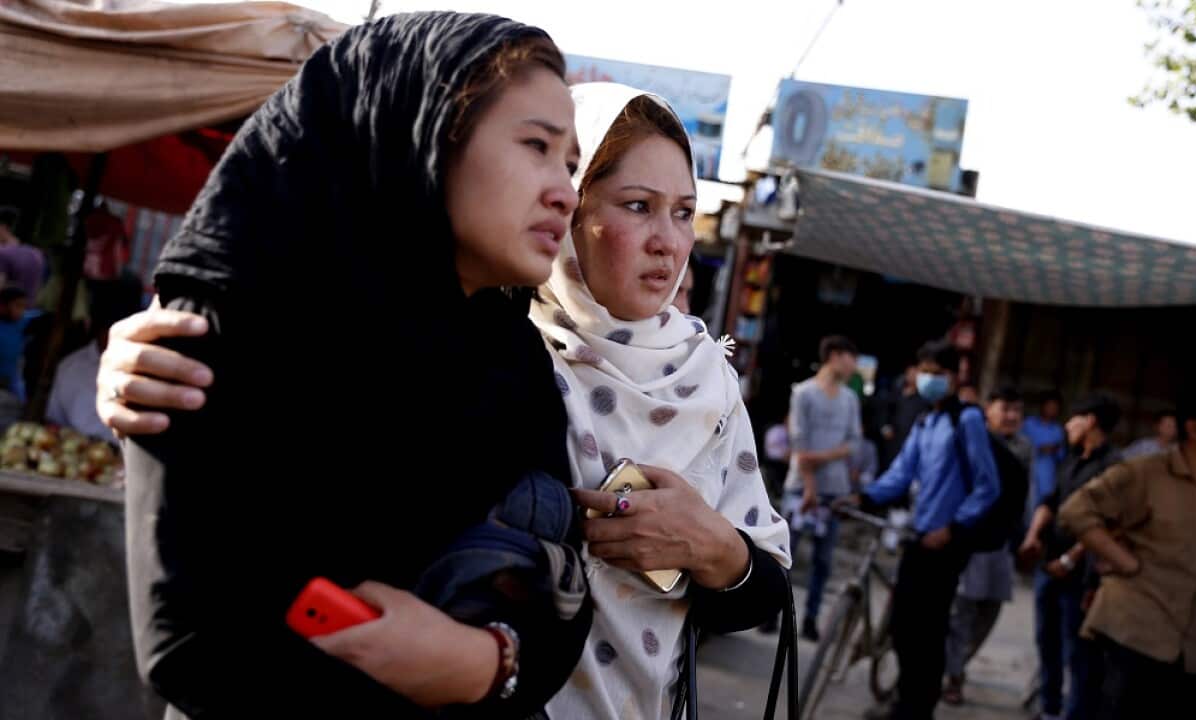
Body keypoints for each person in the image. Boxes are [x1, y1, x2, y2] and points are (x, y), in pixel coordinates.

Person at [99, 79, 792, 720]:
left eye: (684, 213)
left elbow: (759, 595)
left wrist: (715, 549)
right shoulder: (477, 339)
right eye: (637, 207)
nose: (668, 243)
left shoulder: (706, 382)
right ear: (568, 202)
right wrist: (150, 364)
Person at [117, 15, 594, 719]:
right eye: (537, 147)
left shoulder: (511, 362)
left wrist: (482, 664)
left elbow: (563, 600)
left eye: (572, 164)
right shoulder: (231, 326)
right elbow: (192, 645)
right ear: (427, 133)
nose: (566, 192)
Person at [1060, 382, 1196, 719]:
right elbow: (1076, 510)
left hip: (1190, 652)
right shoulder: (1146, 473)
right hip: (1132, 635)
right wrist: (1125, 562)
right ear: (1195, 428)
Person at [856, 340, 1001, 720]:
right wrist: (864, 498)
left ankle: (918, 709)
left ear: (955, 377)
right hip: (920, 537)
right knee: (904, 626)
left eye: (937, 373)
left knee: (928, 631)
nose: (929, 379)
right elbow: (902, 472)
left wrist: (954, 528)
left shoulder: (966, 420)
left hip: (948, 542)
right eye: (925, 372)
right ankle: (905, 701)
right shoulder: (926, 420)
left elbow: (988, 486)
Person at [1017, 394, 1123, 720]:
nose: (1066, 425)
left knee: (1077, 652)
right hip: (1049, 565)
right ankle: (1049, 708)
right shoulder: (1072, 458)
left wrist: (1071, 560)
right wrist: (1033, 536)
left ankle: (1074, 713)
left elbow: (1107, 525)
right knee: (1046, 641)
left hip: (1081, 575)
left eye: (1073, 418)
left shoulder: (1113, 468)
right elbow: (1051, 501)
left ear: (1090, 421)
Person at [942, 386, 1029, 706]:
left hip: (1002, 544)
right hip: (971, 538)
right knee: (963, 610)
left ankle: (957, 665)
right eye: (1005, 409)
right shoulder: (973, 441)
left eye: (1017, 411)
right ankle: (952, 675)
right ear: (988, 410)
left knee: (989, 611)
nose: (1011, 417)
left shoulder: (1023, 449)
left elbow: (1024, 499)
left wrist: (1025, 538)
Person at [780, 335, 862, 641]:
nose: (854, 365)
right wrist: (810, 484)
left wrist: (819, 457)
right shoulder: (803, 393)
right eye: (851, 358)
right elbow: (798, 440)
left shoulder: (850, 399)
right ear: (835, 356)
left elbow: (853, 442)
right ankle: (776, 613)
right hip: (801, 488)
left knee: (823, 560)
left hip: (834, 490)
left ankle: (811, 617)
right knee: (785, 554)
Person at [46, 275, 143, 443]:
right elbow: (54, 421)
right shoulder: (70, 368)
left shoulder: (146, 369)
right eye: (110, 329)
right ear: (97, 327)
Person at [878, 364, 930, 466]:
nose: (913, 376)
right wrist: (885, 427)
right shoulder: (896, 392)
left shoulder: (924, 398)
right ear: (906, 375)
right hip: (894, 439)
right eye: (911, 373)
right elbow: (884, 411)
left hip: (911, 439)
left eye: (917, 374)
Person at [1024, 390, 1066, 510]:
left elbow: (1061, 456)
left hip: (1047, 475)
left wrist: (1054, 449)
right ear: (1042, 406)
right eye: (1049, 406)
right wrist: (1039, 448)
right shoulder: (1028, 424)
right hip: (1029, 470)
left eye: (1055, 407)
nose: (1052, 410)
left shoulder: (1058, 430)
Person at [0, 208, 46, 305]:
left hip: (7, 314)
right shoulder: (37, 254)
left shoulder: (3, 253)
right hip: (27, 314)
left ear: (3, 227)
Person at [0, 286, 38, 401]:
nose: (22, 310)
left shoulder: (23, 321)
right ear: (3, 306)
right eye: (17, 305)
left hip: (12, 380)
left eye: (23, 306)